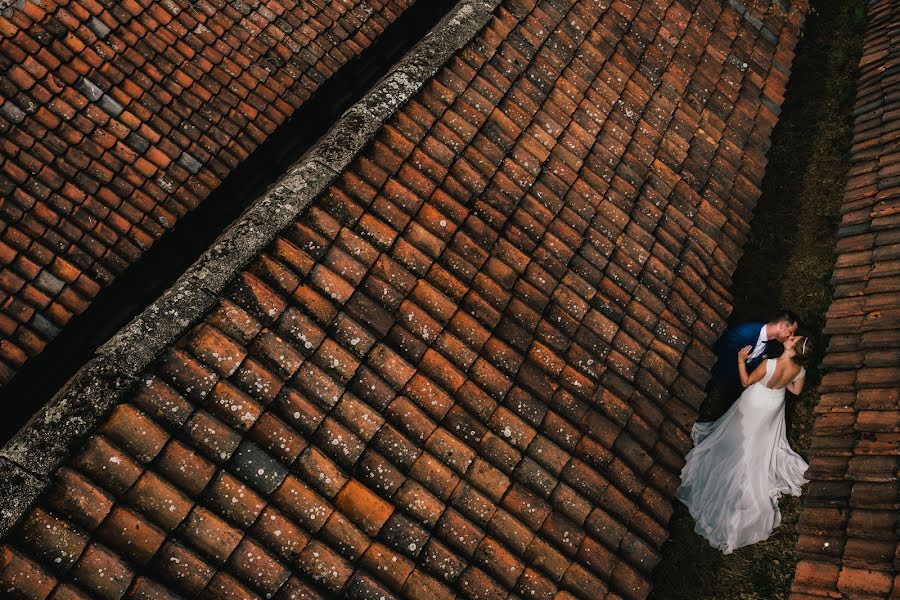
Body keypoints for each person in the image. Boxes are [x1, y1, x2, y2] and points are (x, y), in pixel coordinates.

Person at [675, 335, 812, 554]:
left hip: (756, 400)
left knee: (741, 432)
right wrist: (782, 384)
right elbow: (795, 391)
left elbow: (746, 382)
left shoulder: (770, 364)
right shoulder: (800, 371)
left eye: (792, 338)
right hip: (774, 405)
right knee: (759, 437)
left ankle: (732, 455)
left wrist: (741, 360)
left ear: (792, 347)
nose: (789, 337)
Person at [709, 309, 800, 403]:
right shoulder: (744, 334)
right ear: (782, 326)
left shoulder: (768, 344)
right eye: (791, 332)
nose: (791, 336)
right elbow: (721, 355)